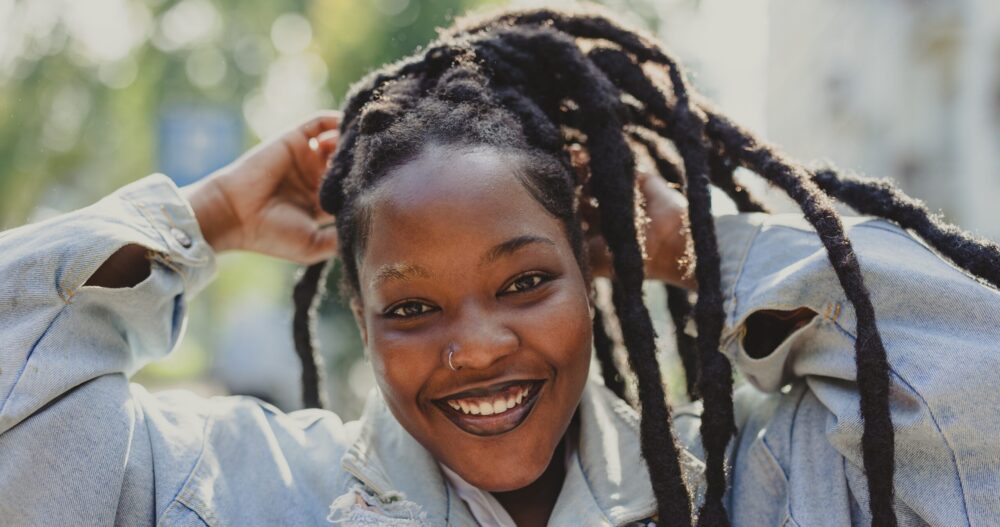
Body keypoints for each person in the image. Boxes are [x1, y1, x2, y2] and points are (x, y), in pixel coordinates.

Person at [1, 7, 998, 527]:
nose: (476, 345)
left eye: (524, 281)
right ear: (359, 311)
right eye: (412, 306)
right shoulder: (231, 489)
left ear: (592, 268)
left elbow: (973, 398)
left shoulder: (761, 485)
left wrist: (697, 245)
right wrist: (204, 216)